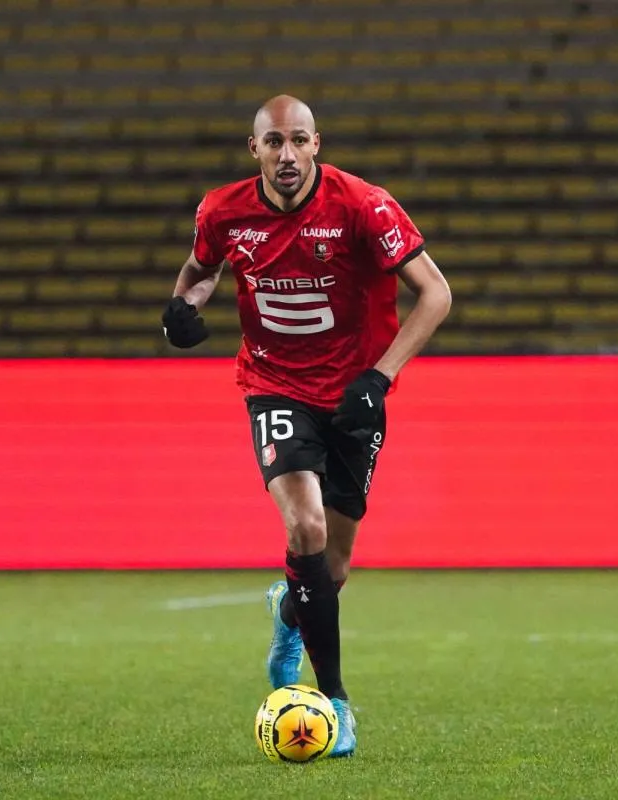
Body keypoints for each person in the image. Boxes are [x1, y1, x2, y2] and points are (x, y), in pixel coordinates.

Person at [161, 95, 452, 757]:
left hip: (353, 395)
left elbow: (436, 293)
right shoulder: (222, 211)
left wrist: (379, 378)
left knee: (332, 567)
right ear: (255, 149)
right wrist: (183, 306)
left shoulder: (364, 207)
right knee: (306, 528)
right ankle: (337, 703)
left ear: (317, 144)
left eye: (298, 140)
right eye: (274, 143)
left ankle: (289, 611)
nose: (287, 154)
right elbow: (201, 269)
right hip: (273, 385)